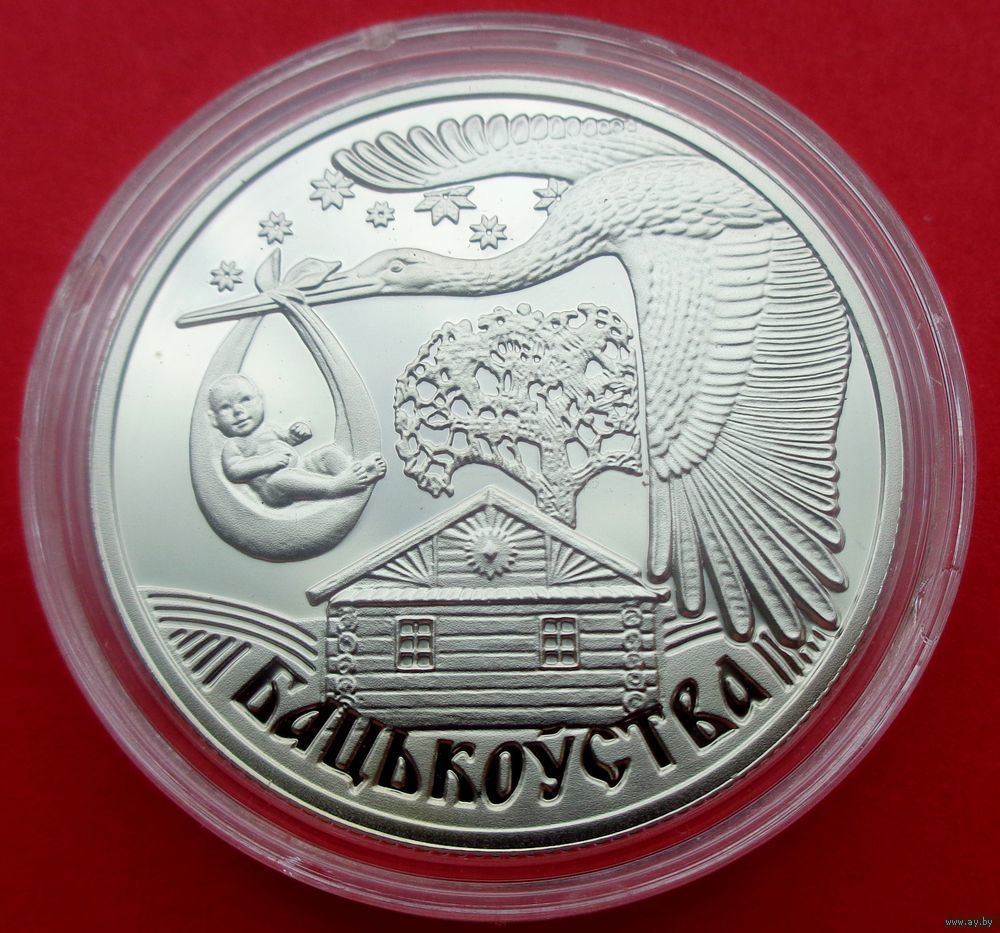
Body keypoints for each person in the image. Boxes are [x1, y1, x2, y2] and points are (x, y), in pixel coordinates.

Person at [207, 373, 385, 508]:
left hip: (301, 468)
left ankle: (355, 471)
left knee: (327, 454)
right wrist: (266, 462)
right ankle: (335, 487)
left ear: (260, 400)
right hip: (273, 488)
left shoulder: (270, 429)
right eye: (225, 407)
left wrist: (296, 434)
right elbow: (234, 470)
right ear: (214, 419)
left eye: (245, 399)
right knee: (284, 478)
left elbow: (288, 439)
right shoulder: (234, 445)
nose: (238, 411)